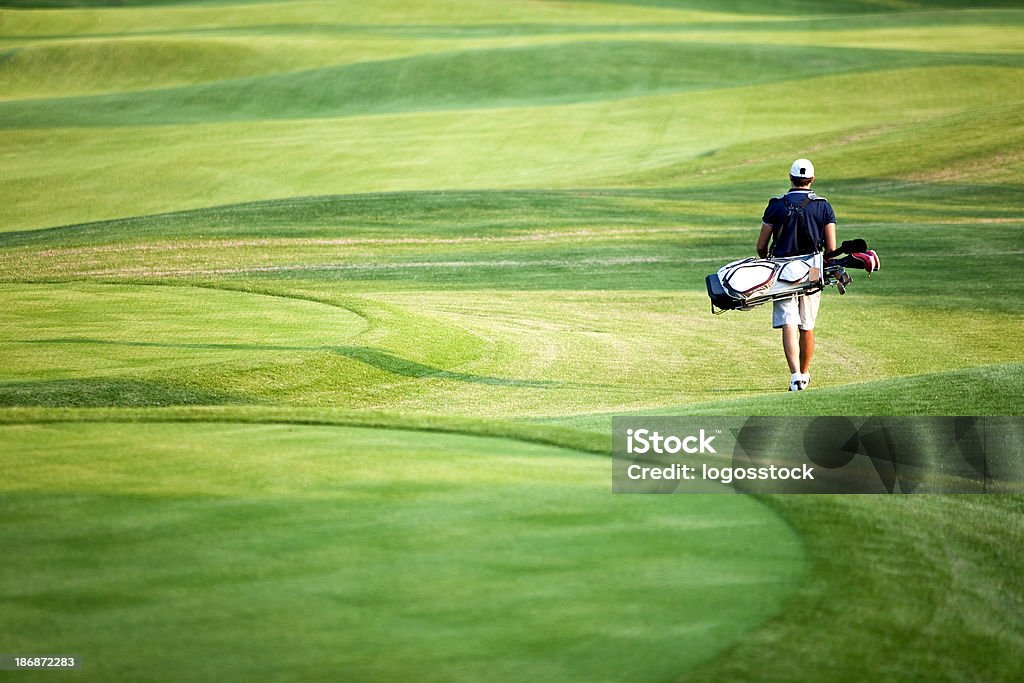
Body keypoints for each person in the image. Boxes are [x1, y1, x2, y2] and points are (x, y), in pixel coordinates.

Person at [755, 159, 837, 391]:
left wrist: (766, 263)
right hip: (811, 268)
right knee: (807, 324)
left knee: (788, 321)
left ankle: (795, 376)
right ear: (811, 180)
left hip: (781, 268)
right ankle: (806, 372)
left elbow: (761, 246)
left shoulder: (776, 205)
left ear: (790, 178)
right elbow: (830, 248)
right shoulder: (824, 206)